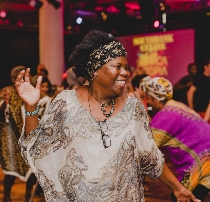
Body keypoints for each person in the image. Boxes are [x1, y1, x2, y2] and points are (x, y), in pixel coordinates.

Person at [15, 30, 200, 202]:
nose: (125, 73)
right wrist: (31, 107)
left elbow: (150, 156)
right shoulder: (66, 103)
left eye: (126, 67)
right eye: (117, 66)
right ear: (95, 69)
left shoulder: (133, 107)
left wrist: (177, 188)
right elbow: (38, 146)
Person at [140, 76, 210, 202]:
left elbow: (145, 153)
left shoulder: (164, 116)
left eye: (148, 98)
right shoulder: (177, 105)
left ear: (155, 99)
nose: (147, 102)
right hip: (205, 159)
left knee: (182, 197)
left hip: (203, 165)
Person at [0, 66, 37, 202]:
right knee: (11, 169)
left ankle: (28, 196)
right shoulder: (6, 93)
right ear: (12, 80)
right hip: (10, 139)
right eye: (19, 79)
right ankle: (7, 197)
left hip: (29, 138)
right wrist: (4, 104)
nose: (23, 81)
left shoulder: (33, 93)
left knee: (31, 169)